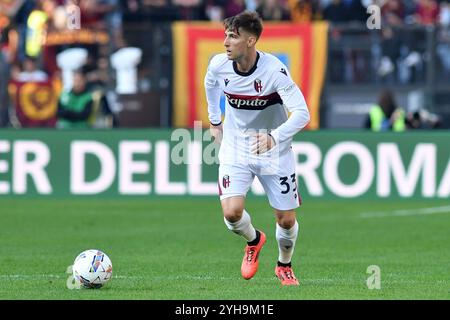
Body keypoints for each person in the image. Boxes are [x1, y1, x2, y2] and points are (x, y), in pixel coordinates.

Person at [204, 11, 310, 286]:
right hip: (236, 148)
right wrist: (215, 120)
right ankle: (254, 240)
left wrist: (275, 137)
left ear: (251, 41)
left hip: (274, 150)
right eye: (225, 35)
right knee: (231, 213)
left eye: (233, 36)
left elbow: (302, 113)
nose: (226, 42)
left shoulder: (274, 71)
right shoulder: (219, 65)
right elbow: (210, 84)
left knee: (286, 220)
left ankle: (284, 265)